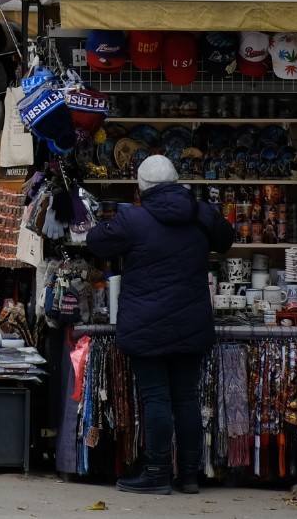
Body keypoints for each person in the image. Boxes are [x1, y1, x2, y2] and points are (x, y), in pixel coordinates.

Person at [86, 154, 234, 495]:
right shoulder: (200, 214)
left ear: (141, 187)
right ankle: (189, 476)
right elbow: (225, 240)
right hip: (192, 321)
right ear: (175, 181)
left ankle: (155, 472)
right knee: (186, 397)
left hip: (146, 323)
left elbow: (95, 241)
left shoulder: (133, 219)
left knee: (156, 398)